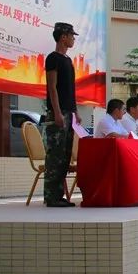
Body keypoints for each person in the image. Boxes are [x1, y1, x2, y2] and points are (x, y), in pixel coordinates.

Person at [43, 22, 80, 207]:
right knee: (55, 155)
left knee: (65, 155)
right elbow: (52, 88)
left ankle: (58, 195)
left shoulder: (68, 61)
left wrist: (76, 112)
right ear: (63, 36)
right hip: (57, 113)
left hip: (69, 113)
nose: (73, 39)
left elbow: (70, 91)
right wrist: (57, 112)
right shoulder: (53, 58)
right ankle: (51, 196)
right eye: (71, 35)